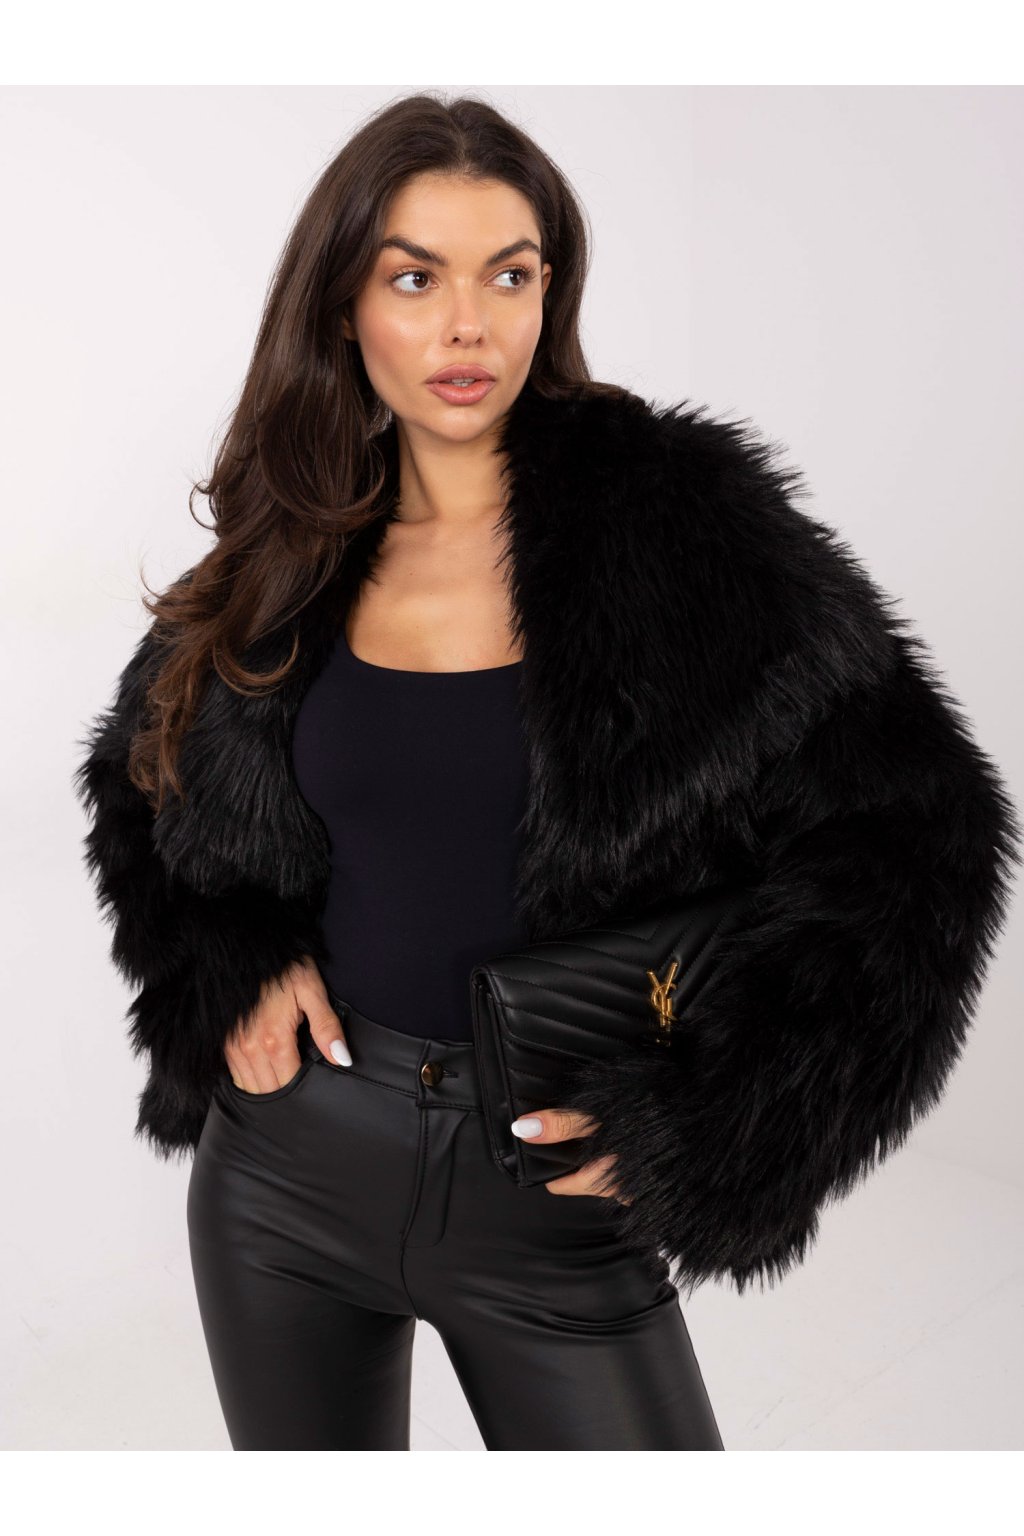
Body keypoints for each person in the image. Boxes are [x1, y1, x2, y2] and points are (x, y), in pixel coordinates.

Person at [73, 93, 1020, 1452]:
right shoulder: (290, 547)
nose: (468, 327)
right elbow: (141, 770)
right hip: (284, 1174)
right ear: (342, 307)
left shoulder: (683, 536)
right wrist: (223, 955)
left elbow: (923, 836)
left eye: (509, 276)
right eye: (416, 279)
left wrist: (717, 1126)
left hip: (550, 1193)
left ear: (549, 294)